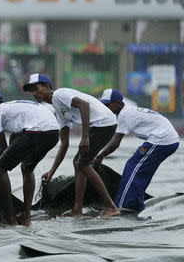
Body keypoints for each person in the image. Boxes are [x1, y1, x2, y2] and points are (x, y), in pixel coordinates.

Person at [23, 73, 120, 217]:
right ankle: (77, 209)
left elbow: (84, 105)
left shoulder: (60, 94)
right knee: (78, 162)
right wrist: (52, 171)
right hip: (99, 126)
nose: (34, 93)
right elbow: (64, 144)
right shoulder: (59, 109)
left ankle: (111, 207)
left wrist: (85, 137)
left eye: (36, 88)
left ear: (47, 87)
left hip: (104, 124)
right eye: (31, 91)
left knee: (82, 164)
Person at [0, 89, 60, 225]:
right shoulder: (12, 108)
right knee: (27, 168)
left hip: (38, 130)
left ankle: (10, 218)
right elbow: (12, 144)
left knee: (0, 169)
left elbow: (2, 148)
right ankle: (26, 217)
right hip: (53, 132)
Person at [94, 89, 180, 212]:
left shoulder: (125, 114)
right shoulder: (127, 110)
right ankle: (136, 205)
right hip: (167, 140)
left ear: (118, 103)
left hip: (162, 140)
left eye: (108, 105)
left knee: (134, 169)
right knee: (139, 170)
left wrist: (99, 156)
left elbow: (115, 143)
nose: (106, 108)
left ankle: (121, 206)